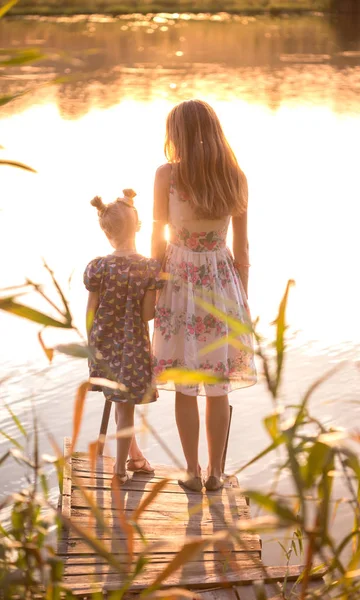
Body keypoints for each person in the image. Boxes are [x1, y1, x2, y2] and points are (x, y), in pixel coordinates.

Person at [151, 99, 257, 493]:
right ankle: (216, 473)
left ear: (177, 134)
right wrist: (241, 300)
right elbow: (243, 251)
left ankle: (192, 473)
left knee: (184, 380)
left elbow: (156, 240)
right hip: (222, 284)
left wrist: (154, 286)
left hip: (179, 282)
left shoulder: (167, 175)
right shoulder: (236, 177)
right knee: (218, 384)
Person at [84, 189, 162, 485]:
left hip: (103, 344)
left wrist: (91, 345)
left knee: (121, 405)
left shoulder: (99, 267)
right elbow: (146, 315)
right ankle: (119, 470)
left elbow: (91, 310)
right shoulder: (147, 267)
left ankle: (135, 458)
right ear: (137, 226)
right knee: (125, 410)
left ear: (106, 232)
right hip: (132, 347)